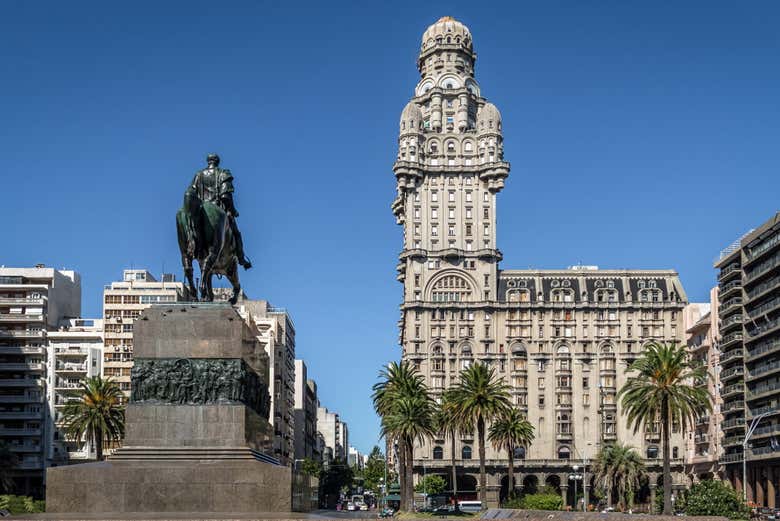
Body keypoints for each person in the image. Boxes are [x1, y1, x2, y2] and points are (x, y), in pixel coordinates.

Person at [187, 153, 252, 269]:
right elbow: (225, 196)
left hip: (201, 210)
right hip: (219, 210)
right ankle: (241, 259)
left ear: (208, 162)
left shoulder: (198, 175)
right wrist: (233, 210)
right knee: (237, 233)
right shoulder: (223, 173)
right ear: (217, 162)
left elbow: (192, 193)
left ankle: (191, 249)